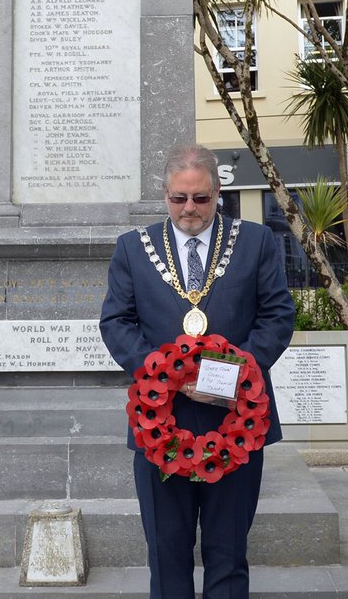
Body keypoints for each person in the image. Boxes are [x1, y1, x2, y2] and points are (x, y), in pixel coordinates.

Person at [100, 144, 295, 599]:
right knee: (166, 554)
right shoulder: (133, 248)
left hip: (237, 423)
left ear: (218, 192)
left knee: (228, 553)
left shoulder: (256, 241)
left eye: (201, 199)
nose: (189, 208)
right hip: (159, 427)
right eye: (179, 198)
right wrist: (169, 378)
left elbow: (277, 317)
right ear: (165, 194)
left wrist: (224, 379)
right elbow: (117, 323)